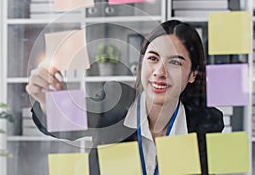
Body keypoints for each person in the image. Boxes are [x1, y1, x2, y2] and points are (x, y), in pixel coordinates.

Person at [26, 20, 224, 175]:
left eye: (174, 62)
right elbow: (68, 124)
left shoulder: (205, 123)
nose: (159, 72)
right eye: (153, 59)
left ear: (192, 75)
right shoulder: (115, 103)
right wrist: (47, 101)